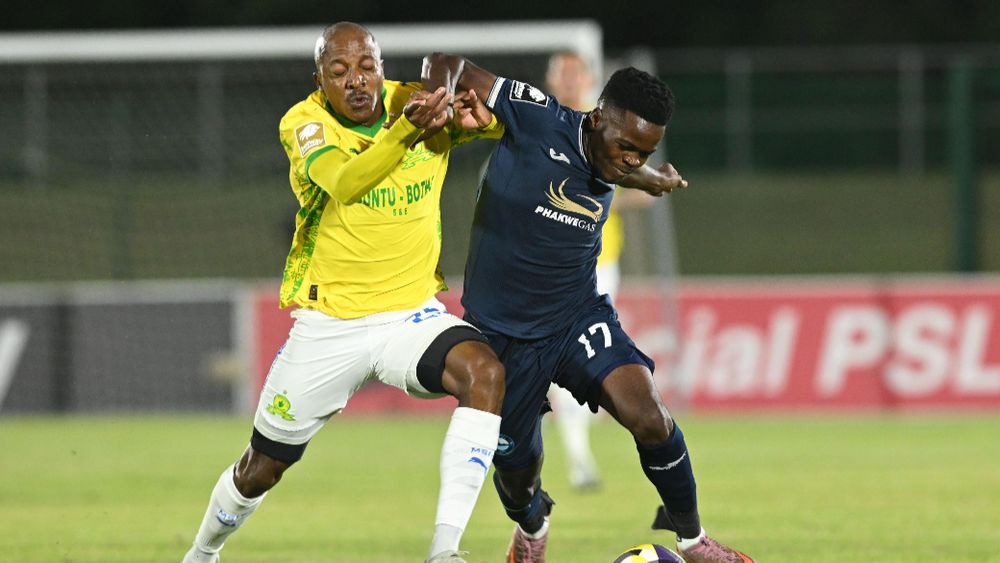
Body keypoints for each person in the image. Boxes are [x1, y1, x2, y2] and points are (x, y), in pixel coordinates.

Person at [183, 22, 506, 563]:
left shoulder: (415, 102)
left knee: (485, 373)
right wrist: (405, 132)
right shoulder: (305, 122)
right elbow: (347, 182)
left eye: (366, 67)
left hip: (409, 316)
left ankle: (445, 550)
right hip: (330, 325)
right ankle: (201, 552)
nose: (356, 80)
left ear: (381, 68)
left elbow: (504, 124)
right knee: (261, 468)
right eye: (339, 71)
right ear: (320, 81)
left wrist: (481, 116)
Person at [421, 53, 755, 562]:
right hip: (501, 333)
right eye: (627, 148)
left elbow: (622, 165)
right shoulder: (536, 117)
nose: (631, 161)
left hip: (576, 317)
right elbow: (447, 62)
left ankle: (693, 540)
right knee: (518, 474)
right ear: (597, 119)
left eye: (644, 154)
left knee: (650, 416)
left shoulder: (617, 158)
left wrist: (651, 178)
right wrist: (435, 100)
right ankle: (533, 526)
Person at [542, 50, 654, 492]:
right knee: (565, 356)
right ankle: (579, 460)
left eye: (577, 73)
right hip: (553, 263)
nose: (571, 80)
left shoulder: (608, 129)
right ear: (551, 81)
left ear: (589, 80)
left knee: (585, 358)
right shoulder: (541, 124)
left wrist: (628, 191)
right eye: (563, 73)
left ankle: (575, 442)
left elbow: (636, 184)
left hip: (602, 263)